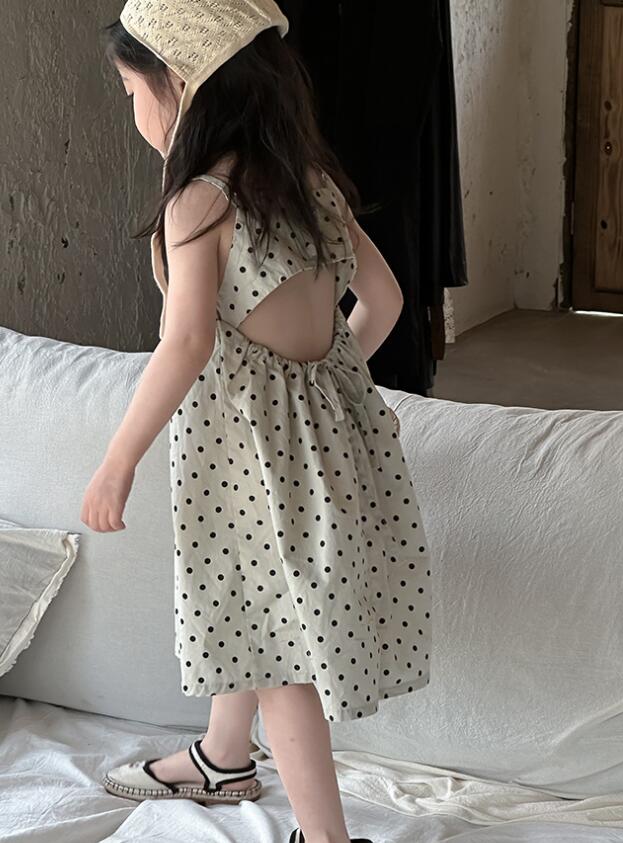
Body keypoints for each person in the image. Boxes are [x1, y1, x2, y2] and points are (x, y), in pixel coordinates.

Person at [80, 3, 432, 842]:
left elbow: (186, 343)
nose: (132, 110)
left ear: (179, 83)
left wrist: (119, 458)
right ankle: (223, 754)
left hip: (247, 468)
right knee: (252, 607)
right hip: (330, 453)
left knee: (279, 656)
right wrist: (325, 390)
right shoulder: (309, 184)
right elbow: (384, 301)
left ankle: (325, 835)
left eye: (131, 90)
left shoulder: (200, 202)